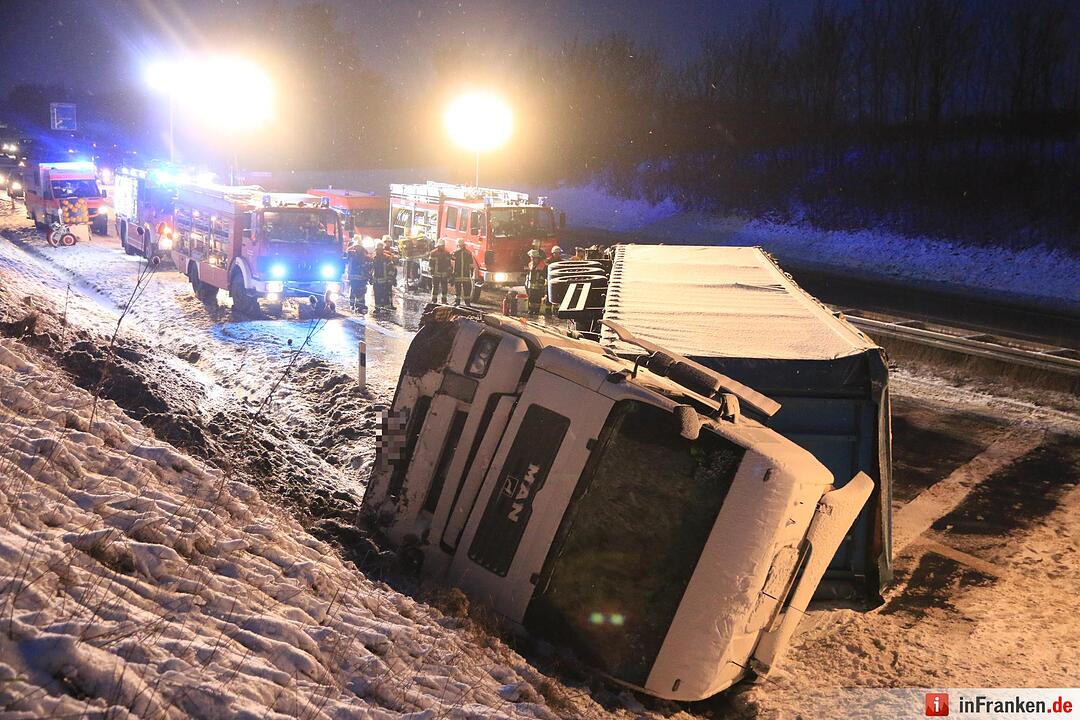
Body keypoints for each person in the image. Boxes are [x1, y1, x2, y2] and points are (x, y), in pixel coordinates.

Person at [347, 242, 371, 312]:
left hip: (355, 278)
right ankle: (360, 305)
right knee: (360, 292)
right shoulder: (359, 257)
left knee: (356, 291)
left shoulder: (352, 256)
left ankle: (355, 304)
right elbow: (365, 268)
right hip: (360, 278)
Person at [372, 242, 396, 309]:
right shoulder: (374, 259)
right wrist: (370, 278)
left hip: (385, 282)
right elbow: (371, 269)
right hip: (376, 282)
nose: (379, 251)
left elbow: (392, 269)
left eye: (380, 249)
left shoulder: (387, 258)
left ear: (382, 250)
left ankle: (387, 310)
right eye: (377, 249)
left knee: (386, 296)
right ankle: (377, 308)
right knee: (377, 296)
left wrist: (390, 279)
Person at [451, 238, 475, 306]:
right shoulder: (468, 253)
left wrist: (451, 273)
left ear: (458, 245)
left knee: (458, 289)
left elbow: (451, 261)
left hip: (458, 273)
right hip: (465, 274)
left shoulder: (455, 253)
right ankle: (467, 303)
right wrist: (471, 272)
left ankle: (458, 302)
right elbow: (471, 264)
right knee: (465, 289)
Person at [524, 248, 547, 316]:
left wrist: (543, 283)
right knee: (531, 299)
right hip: (530, 286)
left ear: (538, 258)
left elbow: (545, 275)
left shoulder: (543, 266)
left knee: (537, 299)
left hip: (539, 286)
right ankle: (531, 310)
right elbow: (528, 274)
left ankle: (536, 311)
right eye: (532, 258)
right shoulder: (530, 264)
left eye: (534, 258)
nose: (533, 259)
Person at [429, 239, 452, 304]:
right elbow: (431, 263)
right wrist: (432, 271)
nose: (443, 247)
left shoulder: (447, 253)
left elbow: (448, 264)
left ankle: (444, 300)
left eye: (443, 246)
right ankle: (434, 300)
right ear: (439, 246)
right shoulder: (433, 253)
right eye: (442, 245)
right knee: (435, 287)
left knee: (444, 287)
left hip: (444, 274)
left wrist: (449, 273)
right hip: (436, 274)